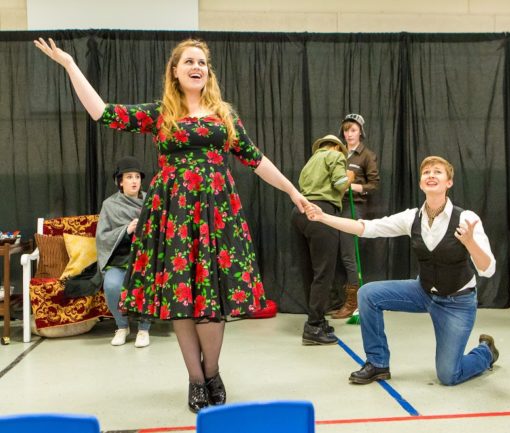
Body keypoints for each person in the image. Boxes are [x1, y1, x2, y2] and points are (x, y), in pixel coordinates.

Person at [34, 37, 309, 412]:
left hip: (216, 216)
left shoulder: (224, 115)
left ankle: (211, 373)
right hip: (174, 216)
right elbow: (102, 112)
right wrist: (69, 65)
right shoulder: (161, 113)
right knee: (182, 299)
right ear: (175, 71)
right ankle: (195, 380)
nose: (197, 66)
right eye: (189, 61)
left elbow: (256, 159)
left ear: (207, 72)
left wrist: (293, 190)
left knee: (210, 300)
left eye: (202, 62)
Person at [306, 156, 498, 386]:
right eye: (426, 172)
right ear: (420, 183)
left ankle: (485, 352)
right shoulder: (412, 217)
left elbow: (487, 269)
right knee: (368, 294)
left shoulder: (466, 218)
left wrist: (470, 244)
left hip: (457, 302)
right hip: (423, 291)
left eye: (437, 172)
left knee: (449, 375)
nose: (431, 175)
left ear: (449, 182)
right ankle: (377, 364)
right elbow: (367, 228)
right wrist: (323, 216)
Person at [291, 134, 354, 345]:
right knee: (324, 272)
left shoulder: (309, 163)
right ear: (336, 146)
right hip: (321, 212)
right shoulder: (335, 156)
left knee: (310, 272)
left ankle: (316, 319)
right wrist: (350, 178)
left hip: (300, 212)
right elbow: (339, 184)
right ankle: (314, 326)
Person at [95, 156, 152, 348]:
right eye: (129, 177)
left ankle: (144, 329)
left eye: (137, 176)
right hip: (119, 260)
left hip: (145, 259)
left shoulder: (151, 202)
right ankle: (122, 326)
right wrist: (126, 230)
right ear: (120, 181)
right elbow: (102, 237)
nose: (134, 180)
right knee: (111, 286)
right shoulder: (110, 205)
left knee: (147, 282)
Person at [330, 113, 380, 319]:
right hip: (333, 205)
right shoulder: (336, 152)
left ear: (360, 132)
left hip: (353, 207)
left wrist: (354, 186)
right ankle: (336, 300)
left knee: (348, 255)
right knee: (332, 253)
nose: (348, 134)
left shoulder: (366, 155)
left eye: (353, 130)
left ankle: (353, 302)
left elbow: (374, 185)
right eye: (346, 130)